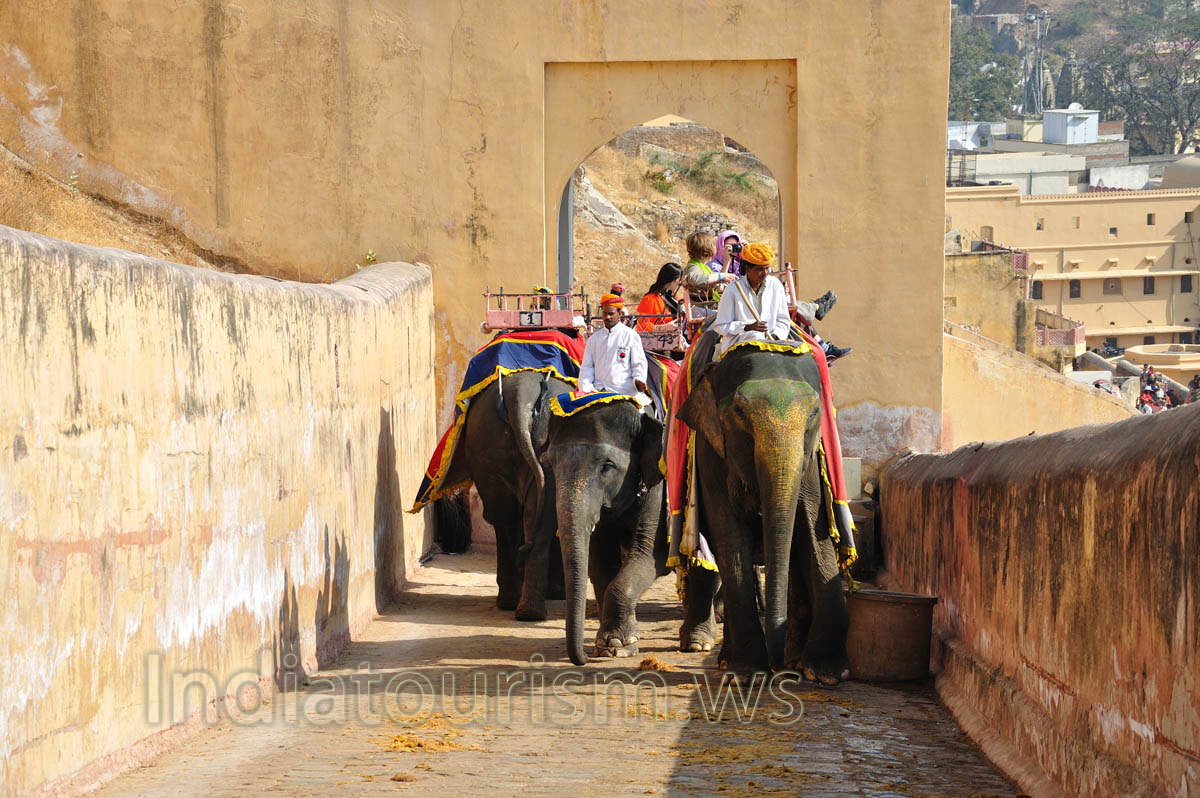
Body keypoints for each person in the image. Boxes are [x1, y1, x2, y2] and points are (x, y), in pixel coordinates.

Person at [713, 243, 794, 355]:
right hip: (738, 344)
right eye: (760, 269)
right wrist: (747, 327)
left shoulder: (776, 285)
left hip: (772, 343)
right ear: (747, 269)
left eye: (767, 268)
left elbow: (783, 320)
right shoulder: (733, 289)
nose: (765, 273)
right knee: (756, 336)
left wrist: (775, 336)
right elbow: (721, 326)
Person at [579, 293, 649, 395]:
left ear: (619, 314)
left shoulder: (631, 336)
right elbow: (587, 367)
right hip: (598, 391)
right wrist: (586, 389)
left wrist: (639, 379)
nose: (607, 317)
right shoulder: (594, 340)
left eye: (611, 314)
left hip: (624, 392)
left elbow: (638, 364)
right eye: (605, 313)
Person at [683, 231, 737, 303]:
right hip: (702, 310)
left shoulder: (704, 267)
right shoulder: (693, 266)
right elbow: (695, 279)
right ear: (709, 249)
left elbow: (714, 283)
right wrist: (720, 276)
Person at [636, 263, 686, 332]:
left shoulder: (673, 297)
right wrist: (665, 327)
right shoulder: (650, 299)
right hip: (655, 340)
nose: (679, 283)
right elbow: (641, 326)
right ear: (673, 281)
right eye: (679, 280)